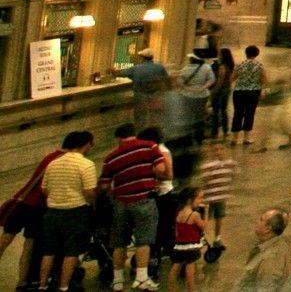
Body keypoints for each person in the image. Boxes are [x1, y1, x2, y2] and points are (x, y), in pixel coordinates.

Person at [102, 121, 169, 291]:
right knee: (143, 240)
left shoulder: (111, 157)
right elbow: (161, 170)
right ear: (134, 133)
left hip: (121, 203)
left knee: (119, 243)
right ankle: (141, 278)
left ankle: (117, 280)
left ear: (119, 138)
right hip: (144, 200)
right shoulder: (150, 147)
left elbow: (104, 186)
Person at [4, 135, 70, 291]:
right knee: (29, 246)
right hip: (38, 208)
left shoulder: (50, 157)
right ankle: (21, 282)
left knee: (4, 241)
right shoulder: (64, 161)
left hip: (23, 202)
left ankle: (22, 282)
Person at [36, 131, 98, 292]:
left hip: (52, 213)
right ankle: (64, 286)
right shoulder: (86, 164)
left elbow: (44, 189)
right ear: (85, 144)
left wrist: (58, 198)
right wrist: (92, 203)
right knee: (71, 252)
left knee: (49, 251)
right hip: (75, 213)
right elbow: (89, 192)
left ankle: (42, 285)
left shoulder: (53, 163)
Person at [194, 139, 235, 262]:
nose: (219, 152)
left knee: (219, 218)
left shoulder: (230, 163)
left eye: (221, 149)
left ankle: (217, 238)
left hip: (220, 198)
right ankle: (203, 239)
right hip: (208, 199)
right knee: (205, 220)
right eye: (216, 150)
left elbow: (231, 177)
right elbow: (203, 180)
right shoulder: (208, 166)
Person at [231, 208, 289, 292]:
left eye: (261, 219)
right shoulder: (271, 245)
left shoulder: (270, 259)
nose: (257, 222)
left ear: (267, 229)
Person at [168, 187, 207, 291]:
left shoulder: (179, 213)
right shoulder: (194, 215)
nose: (201, 201)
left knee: (175, 267)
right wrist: (206, 213)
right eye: (199, 198)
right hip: (191, 246)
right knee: (190, 269)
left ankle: (171, 288)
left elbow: (176, 231)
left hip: (179, 245)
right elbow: (203, 226)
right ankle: (191, 289)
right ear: (190, 200)